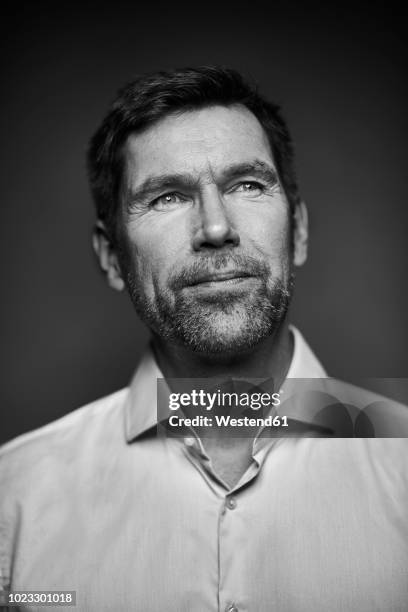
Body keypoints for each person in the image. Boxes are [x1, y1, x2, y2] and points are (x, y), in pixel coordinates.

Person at [0, 66, 407, 612]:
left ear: (300, 231)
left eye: (247, 185)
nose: (216, 228)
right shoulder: (13, 499)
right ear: (112, 256)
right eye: (167, 196)